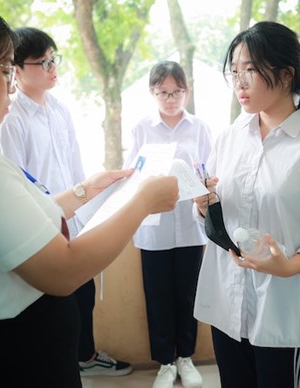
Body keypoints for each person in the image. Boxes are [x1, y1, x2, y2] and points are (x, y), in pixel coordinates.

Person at [0, 0, 178, 388]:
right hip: (20, 355)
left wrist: (85, 190)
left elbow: (21, 216)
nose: (10, 86)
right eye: (3, 70)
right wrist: (143, 202)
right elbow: (63, 270)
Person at [193, 21, 300, 388]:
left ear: (286, 75)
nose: (240, 81)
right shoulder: (229, 138)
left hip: (283, 308)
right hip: (228, 303)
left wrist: (291, 266)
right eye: (234, 71)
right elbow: (219, 213)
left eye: (250, 69)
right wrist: (205, 205)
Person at [0, 27, 132, 378]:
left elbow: (76, 173)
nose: (53, 67)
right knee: (54, 309)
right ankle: (67, 364)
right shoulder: (12, 119)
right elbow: (15, 186)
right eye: (43, 62)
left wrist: (88, 213)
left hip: (73, 222)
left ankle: (84, 358)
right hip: (38, 226)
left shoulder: (60, 111)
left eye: (55, 59)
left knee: (81, 299)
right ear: (17, 69)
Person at [124, 61, 212, 388]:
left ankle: (185, 358)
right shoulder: (141, 129)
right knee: (158, 296)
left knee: (187, 295)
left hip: (190, 226)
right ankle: (165, 362)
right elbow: (131, 174)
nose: (171, 98)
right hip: (154, 229)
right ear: (152, 93)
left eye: (177, 92)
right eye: (163, 92)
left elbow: (209, 169)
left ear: (186, 92)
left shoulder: (199, 127)